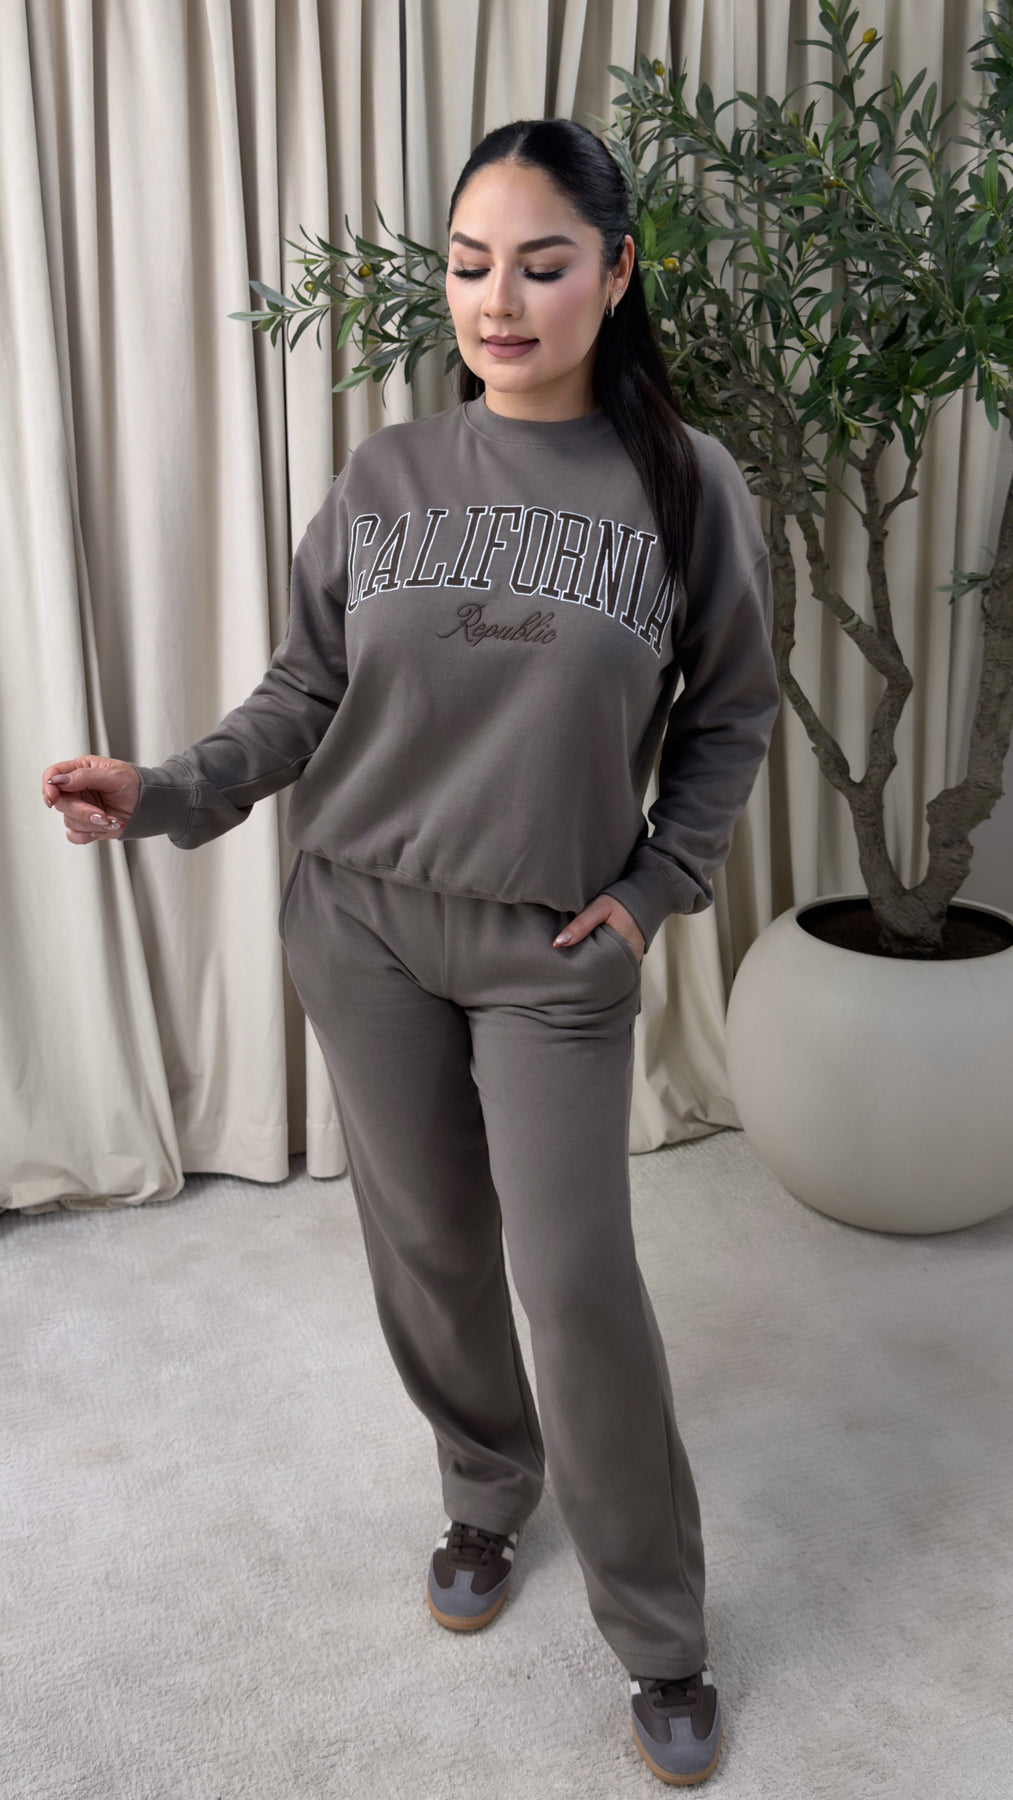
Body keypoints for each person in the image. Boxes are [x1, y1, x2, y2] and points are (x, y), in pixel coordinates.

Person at [42, 117, 780, 1786]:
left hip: (549, 946)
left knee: (575, 1281)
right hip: (360, 920)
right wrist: (166, 789)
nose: (497, 301)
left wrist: (655, 886)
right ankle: (483, 1491)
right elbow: (304, 692)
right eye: (467, 266)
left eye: (539, 264)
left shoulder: (687, 487)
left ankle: (660, 1630)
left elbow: (730, 713)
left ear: (615, 273)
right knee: (431, 1250)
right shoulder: (385, 476)